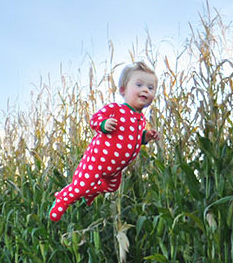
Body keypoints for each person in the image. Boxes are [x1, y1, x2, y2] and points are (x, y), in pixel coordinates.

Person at [49, 62, 161, 222]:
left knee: (111, 187)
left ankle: (89, 193)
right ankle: (62, 199)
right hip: (97, 161)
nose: (145, 90)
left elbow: (133, 139)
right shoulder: (116, 109)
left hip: (115, 169)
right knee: (80, 185)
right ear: (123, 90)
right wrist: (104, 124)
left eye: (151, 88)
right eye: (139, 85)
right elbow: (95, 119)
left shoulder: (140, 119)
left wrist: (146, 137)